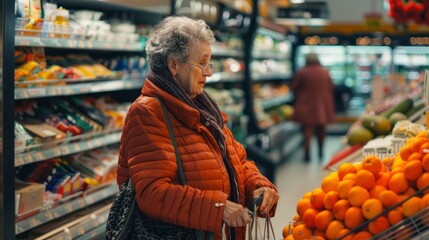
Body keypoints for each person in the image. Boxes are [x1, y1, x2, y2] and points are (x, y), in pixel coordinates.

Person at [116, 16, 279, 239]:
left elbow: (236, 162)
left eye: (209, 63)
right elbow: (152, 193)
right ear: (174, 64)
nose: (209, 72)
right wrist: (218, 208)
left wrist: (258, 187)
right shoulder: (148, 112)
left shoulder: (205, 108)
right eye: (202, 63)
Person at [291, 53, 336, 162]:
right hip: (322, 105)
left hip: (306, 104)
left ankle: (307, 154)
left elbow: (294, 87)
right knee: (322, 129)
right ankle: (321, 152)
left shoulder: (302, 72)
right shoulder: (325, 72)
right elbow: (331, 87)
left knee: (307, 129)